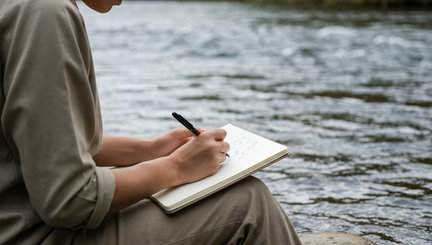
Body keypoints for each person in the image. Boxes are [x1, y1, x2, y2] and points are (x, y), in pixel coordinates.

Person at [0, 0, 302, 244]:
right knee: (249, 203)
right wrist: (176, 168)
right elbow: (69, 199)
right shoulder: (44, 12)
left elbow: (41, 142)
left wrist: (151, 150)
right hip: (27, 234)